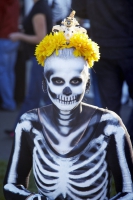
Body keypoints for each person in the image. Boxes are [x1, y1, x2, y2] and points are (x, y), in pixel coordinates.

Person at [3, 11, 133, 200]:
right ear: (45, 85)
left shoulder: (109, 126)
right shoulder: (29, 123)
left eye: (74, 82)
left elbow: (129, 191)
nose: (66, 91)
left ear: (86, 85)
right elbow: (11, 186)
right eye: (57, 81)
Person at [72, 0, 133, 143]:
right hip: (126, 46)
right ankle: (125, 141)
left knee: (109, 106)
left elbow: (79, 9)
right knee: (108, 108)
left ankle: (114, 148)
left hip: (103, 48)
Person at [6, 0, 52, 136]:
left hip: (41, 59)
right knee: (39, 97)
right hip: (43, 58)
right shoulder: (41, 7)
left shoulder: (39, 9)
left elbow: (41, 38)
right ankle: (20, 128)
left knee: (35, 97)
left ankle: (20, 129)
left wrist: (19, 35)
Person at [0, 0, 20, 111]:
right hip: (14, 37)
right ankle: (10, 100)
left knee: (3, 72)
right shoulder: (16, 2)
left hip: (3, 38)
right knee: (9, 72)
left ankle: (8, 102)